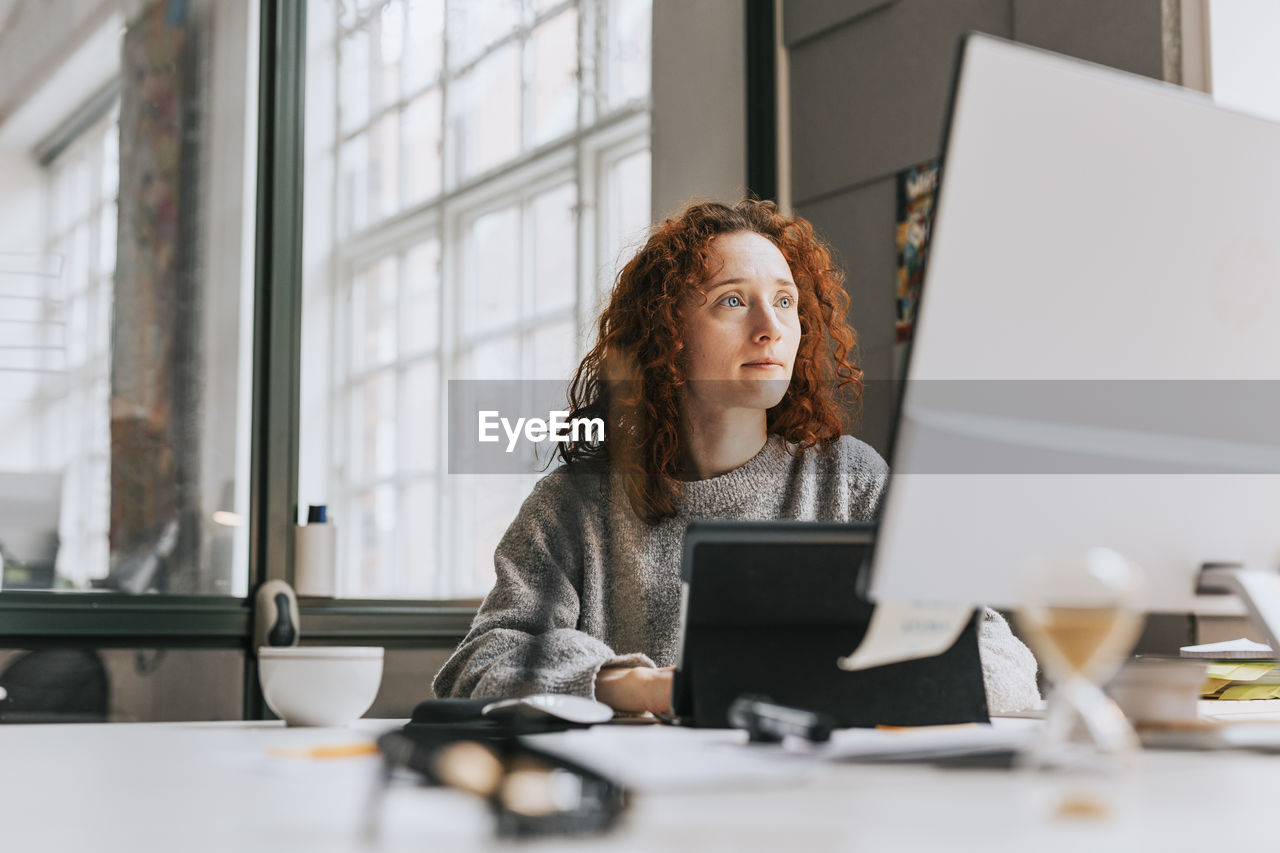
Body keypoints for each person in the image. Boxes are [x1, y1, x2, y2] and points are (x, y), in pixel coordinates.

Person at [433, 199, 1040, 715]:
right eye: (731, 301)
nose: (769, 327)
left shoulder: (851, 481)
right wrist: (647, 688)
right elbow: (484, 659)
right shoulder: (574, 504)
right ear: (665, 333)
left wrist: (826, 689)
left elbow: (1004, 666)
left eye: (785, 301)